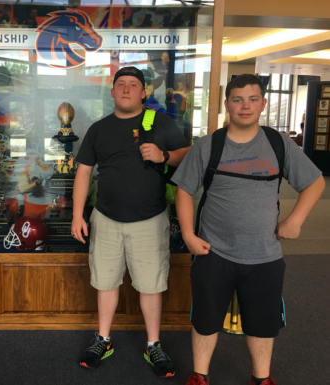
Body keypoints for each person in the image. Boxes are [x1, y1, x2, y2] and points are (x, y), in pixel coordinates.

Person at [171, 74, 325, 385]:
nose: (245, 106)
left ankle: (261, 377)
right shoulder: (209, 145)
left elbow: (314, 182)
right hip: (213, 252)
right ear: (227, 104)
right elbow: (184, 191)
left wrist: (295, 221)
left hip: (264, 255)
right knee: (205, 319)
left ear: (263, 104)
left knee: (263, 322)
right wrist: (188, 235)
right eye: (238, 99)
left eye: (253, 99)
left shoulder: (277, 143)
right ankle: (200, 375)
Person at [72, 67, 190, 377]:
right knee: (105, 281)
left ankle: (153, 345)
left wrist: (164, 155)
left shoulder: (159, 123)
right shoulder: (98, 129)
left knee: (151, 285)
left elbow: (187, 156)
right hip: (106, 218)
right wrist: (76, 215)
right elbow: (83, 171)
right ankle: (103, 339)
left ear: (143, 93)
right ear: (112, 92)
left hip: (150, 220)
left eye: (133, 85)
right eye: (120, 84)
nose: (126, 89)